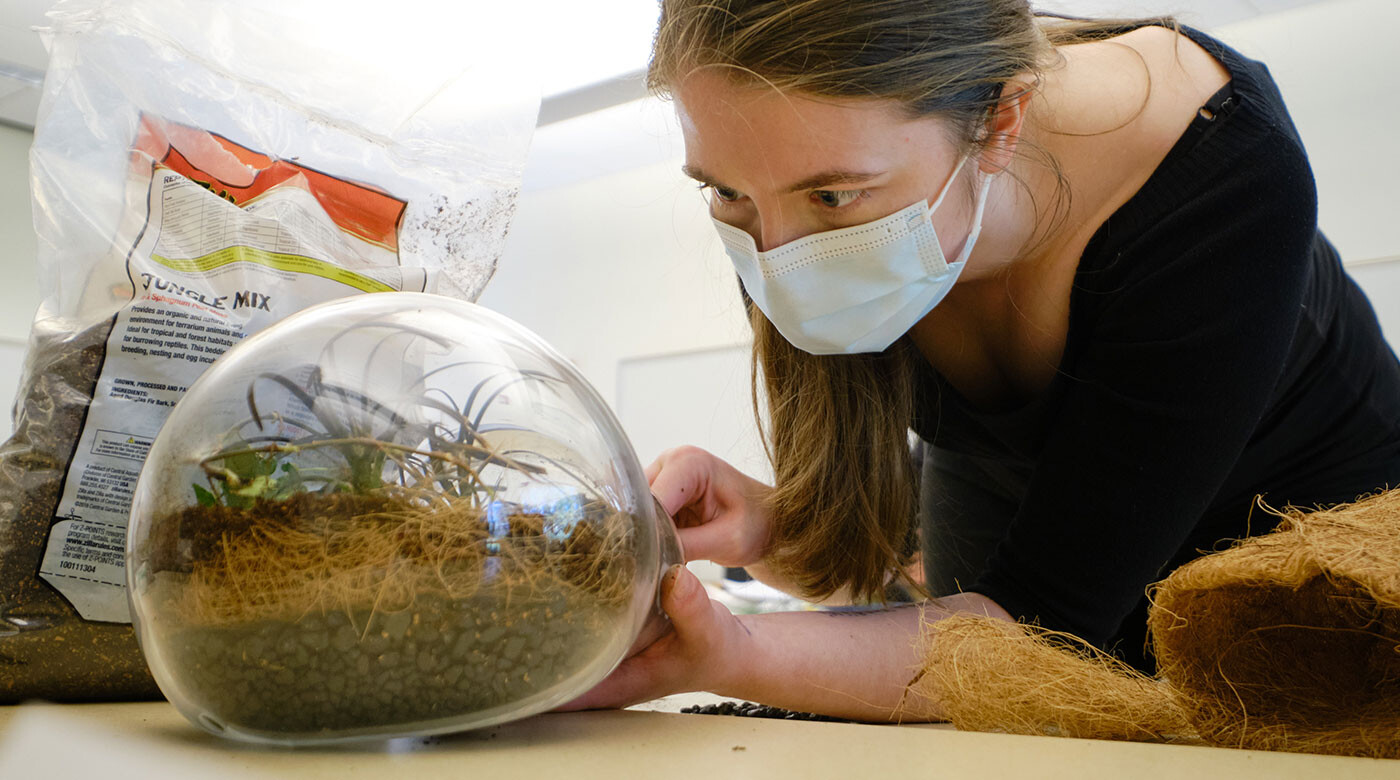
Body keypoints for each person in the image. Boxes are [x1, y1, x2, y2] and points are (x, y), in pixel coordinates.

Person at [562, 0, 1400, 721]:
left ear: (1002, 121)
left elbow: (1038, 631)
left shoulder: (1224, 174)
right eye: (725, 191)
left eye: (834, 197)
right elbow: (968, 613)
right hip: (1023, 582)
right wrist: (772, 528)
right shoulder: (789, 184)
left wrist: (728, 650)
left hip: (1310, 568)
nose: (776, 256)